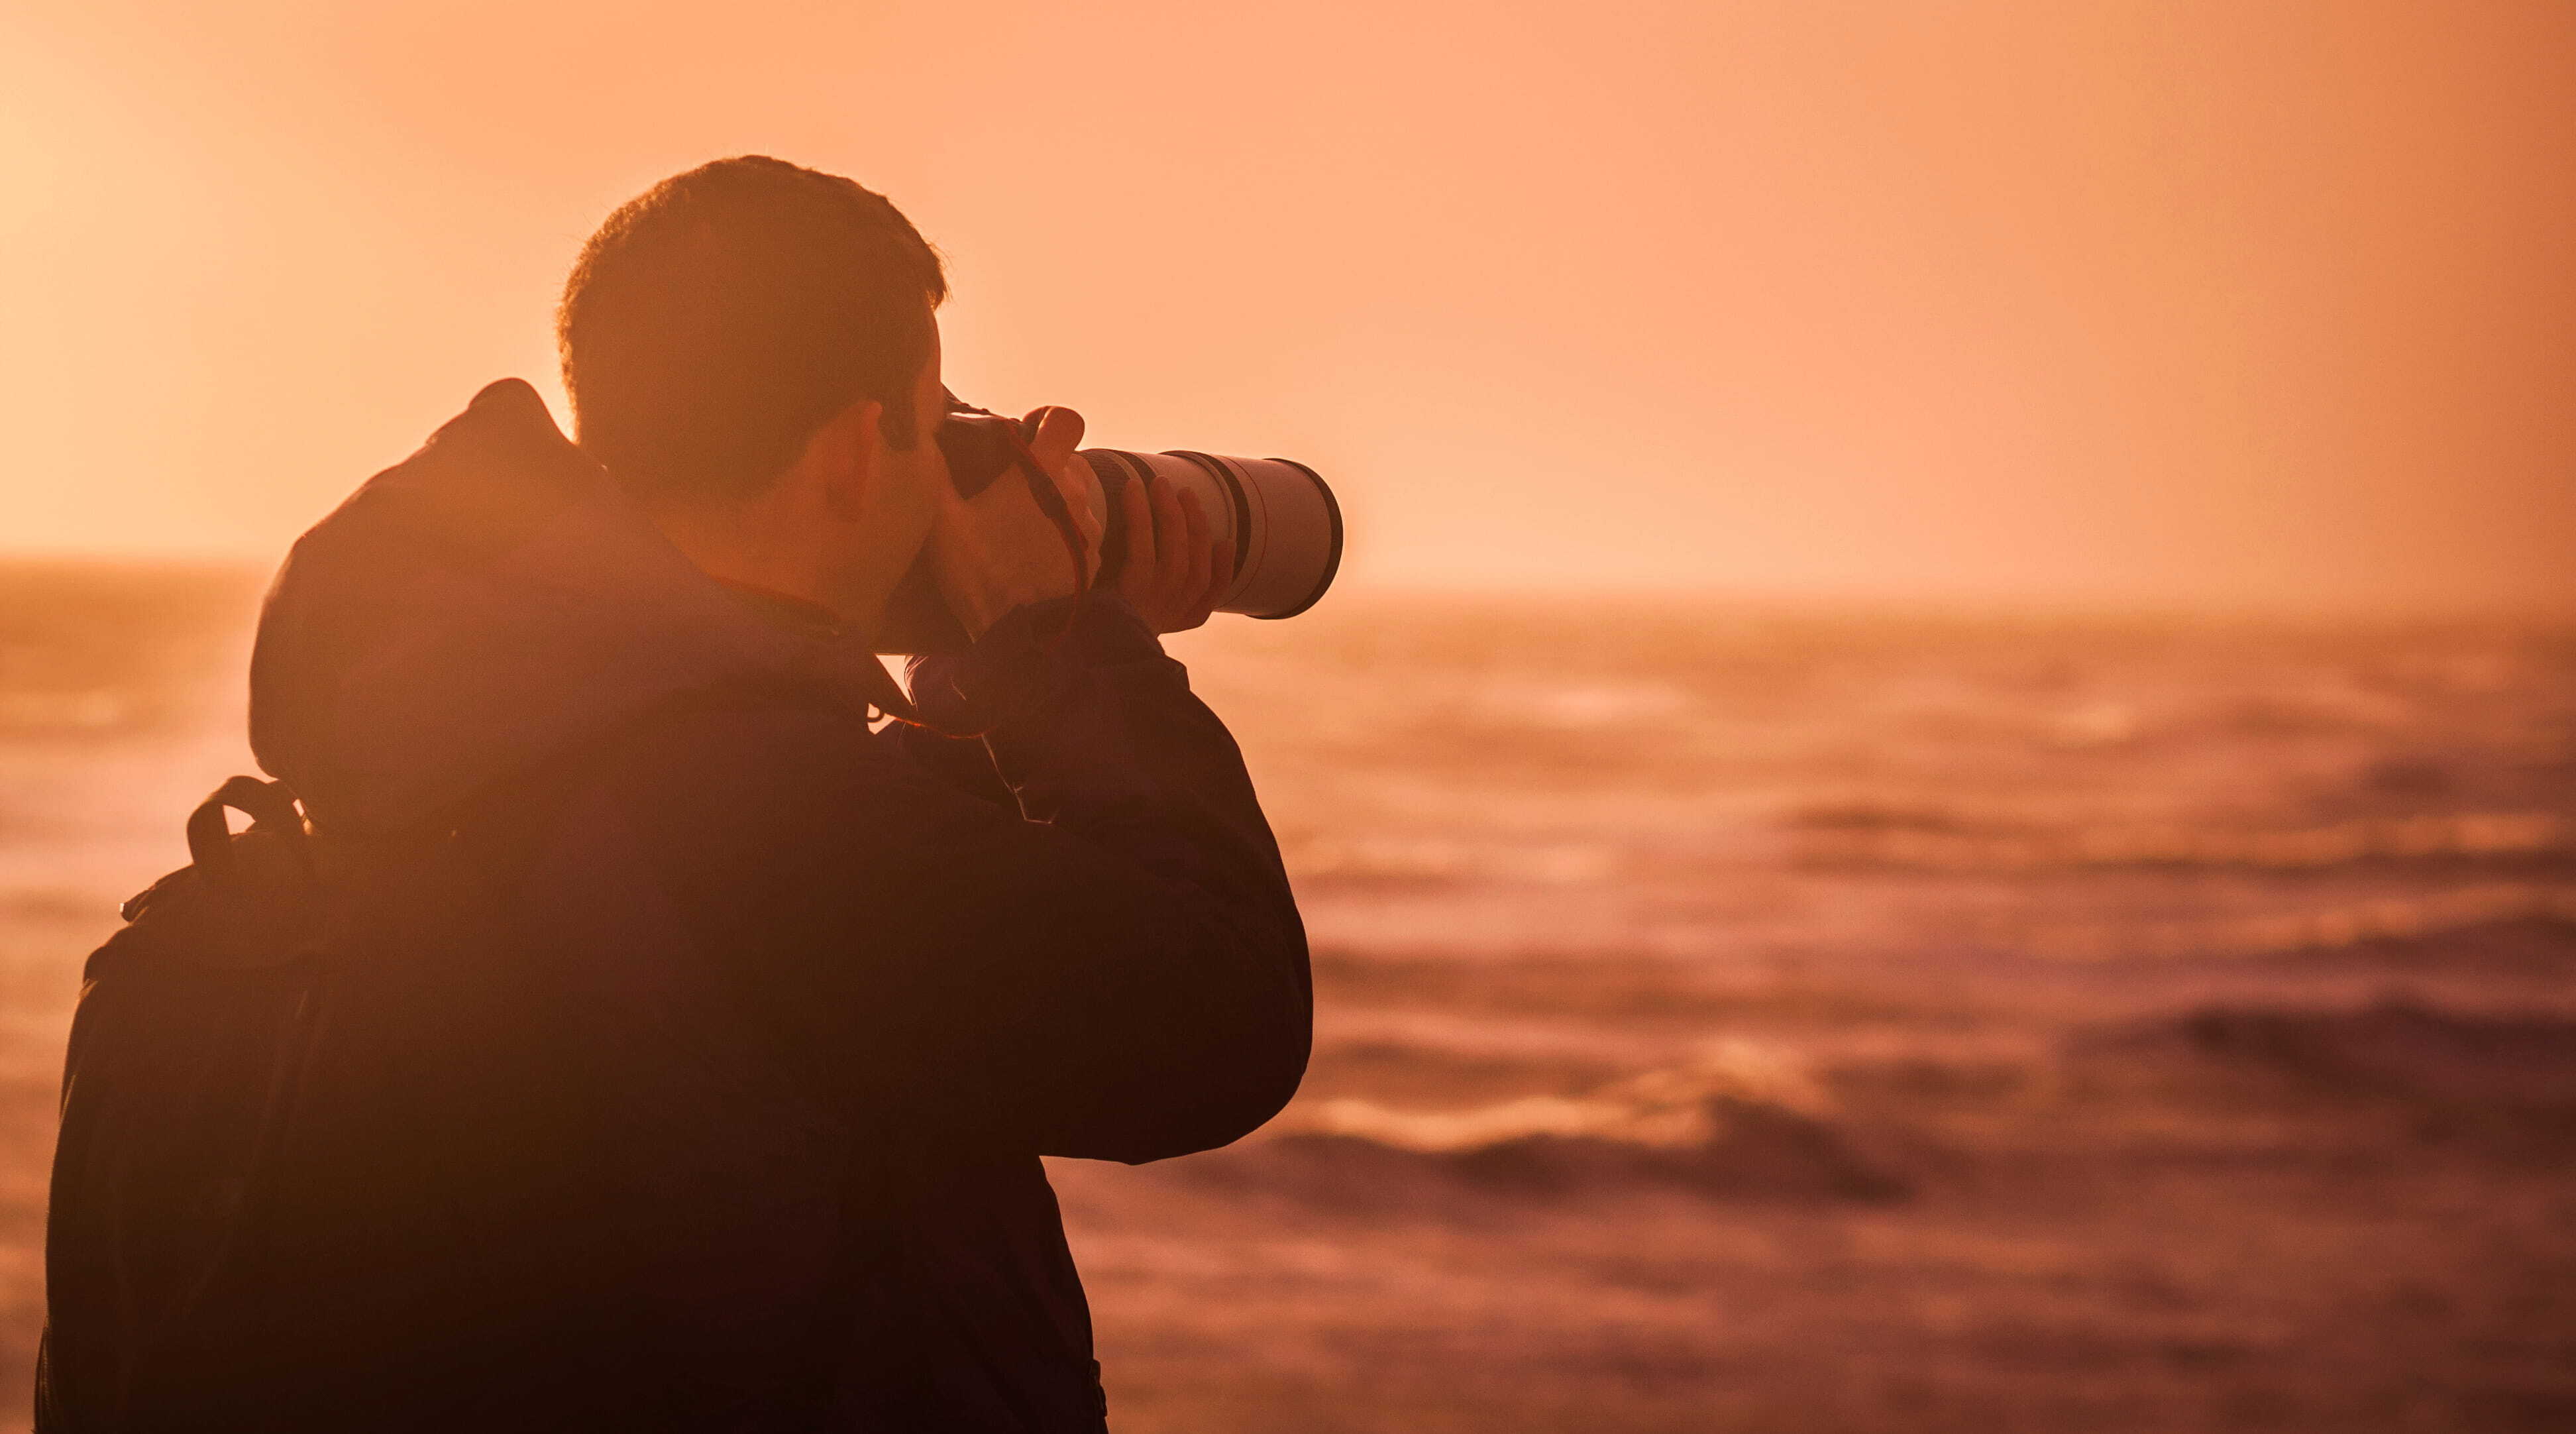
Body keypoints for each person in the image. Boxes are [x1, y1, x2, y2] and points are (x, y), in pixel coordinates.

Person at [233, 156, 1311, 1429]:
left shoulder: (499, 740)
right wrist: (1056, 644)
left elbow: (862, 906)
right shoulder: (743, 806)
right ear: (860, 449)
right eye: (933, 416)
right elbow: (1215, 1022)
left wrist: (1005, 690)